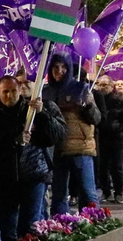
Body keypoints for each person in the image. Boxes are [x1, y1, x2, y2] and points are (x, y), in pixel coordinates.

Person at [0, 75, 64, 241]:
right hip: (5, 178)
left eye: (13, 91)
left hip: (33, 173)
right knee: (8, 227)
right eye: (5, 92)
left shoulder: (32, 111)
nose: (9, 95)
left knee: (29, 225)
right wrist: (13, 141)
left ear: (20, 90)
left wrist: (42, 114)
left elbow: (55, 136)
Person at [42, 55, 101, 214]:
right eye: (55, 67)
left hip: (80, 148)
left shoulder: (81, 88)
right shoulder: (45, 91)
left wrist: (89, 105)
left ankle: (92, 223)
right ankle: (60, 224)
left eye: (63, 67)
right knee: (59, 194)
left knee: (87, 192)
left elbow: (97, 119)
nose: (59, 71)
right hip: (57, 149)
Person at [95, 78, 123, 204]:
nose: (102, 87)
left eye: (105, 85)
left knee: (117, 166)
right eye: (100, 85)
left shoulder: (118, 100)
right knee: (102, 166)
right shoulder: (97, 99)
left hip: (117, 137)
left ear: (111, 86)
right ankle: (106, 191)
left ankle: (118, 192)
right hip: (101, 136)